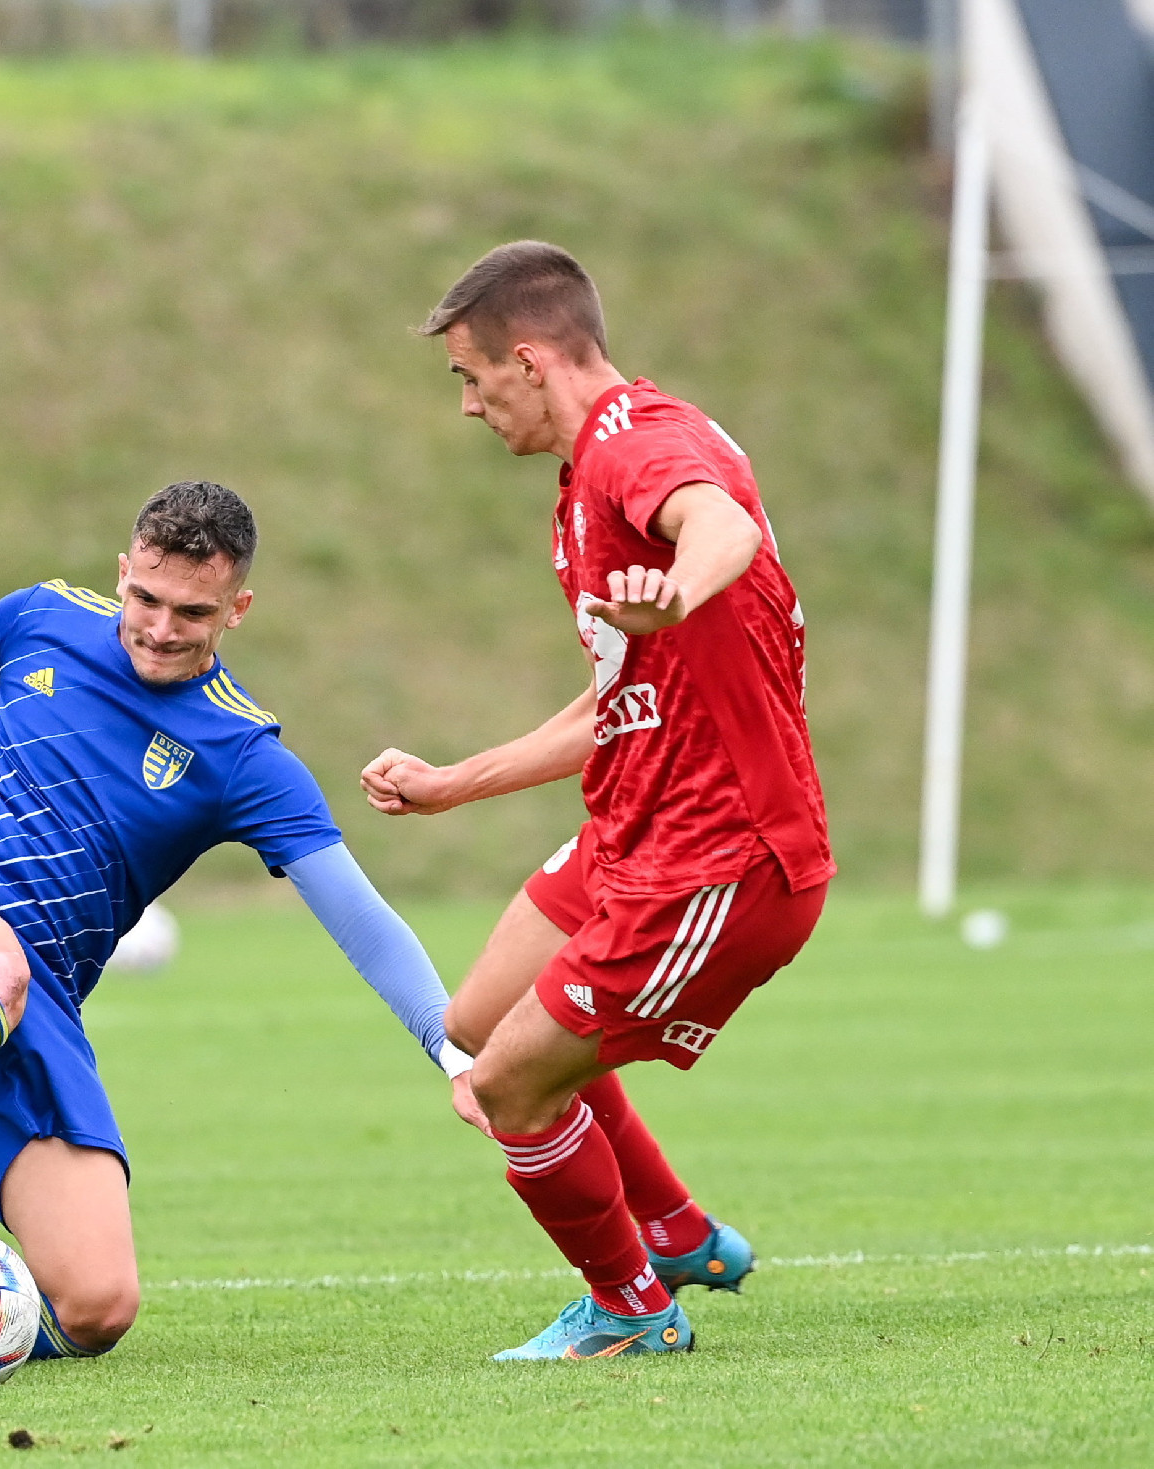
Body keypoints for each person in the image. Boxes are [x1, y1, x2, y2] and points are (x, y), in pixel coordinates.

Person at [0, 481, 469, 1366]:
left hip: (34, 1000)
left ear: (239, 609)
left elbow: (360, 917)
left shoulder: (245, 755)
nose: (160, 627)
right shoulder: (43, 616)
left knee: (96, 1305)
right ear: (121, 572)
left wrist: (451, 1049)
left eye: (193, 610)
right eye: (145, 597)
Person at [362, 241, 832, 1360]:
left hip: (718, 858)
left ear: (529, 360)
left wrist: (677, 586)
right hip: (632, 826)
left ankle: (629, 1308)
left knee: (507, 1086)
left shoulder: (639, 447)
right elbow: (611, 704)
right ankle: (669, 1228)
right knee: (472, 1023)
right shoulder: (584, 488)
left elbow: (718, 523)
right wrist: (448, 785)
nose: (470, 406)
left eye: (473, 378)